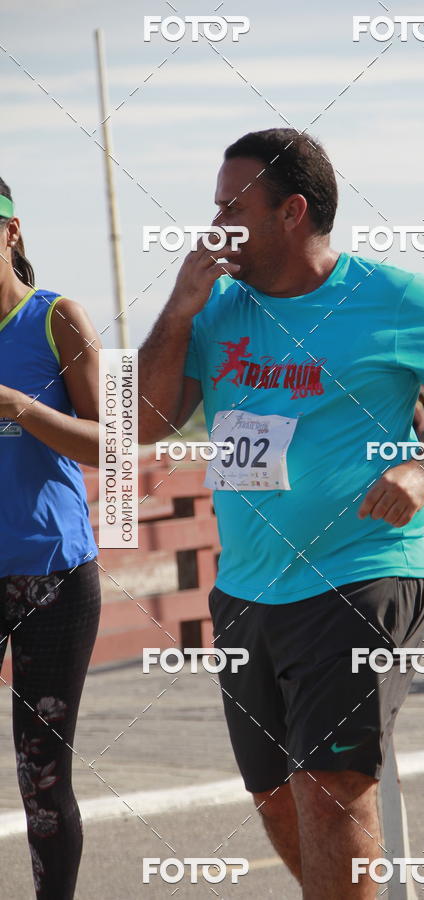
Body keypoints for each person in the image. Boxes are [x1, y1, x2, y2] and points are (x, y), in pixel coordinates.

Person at [137, 129, 424, 899]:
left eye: (231, 208)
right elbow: (139, 423)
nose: (213, 227)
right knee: (275, 796)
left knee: (328, 788)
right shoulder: (214, 312)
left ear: (291, 212)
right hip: (248, 588)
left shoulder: (397, 298)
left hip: (361, 575)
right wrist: (177, 311)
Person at [0, 178, 102, 900]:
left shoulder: (56, 318)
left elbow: (112, 444)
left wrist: (21, 407)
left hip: (51, 578)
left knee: (41, 778)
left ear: (10, 233)